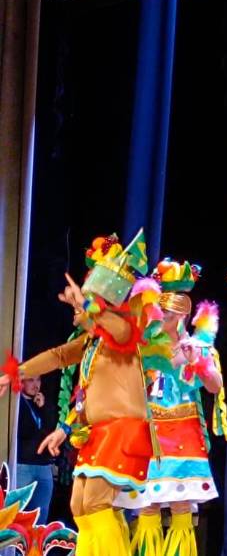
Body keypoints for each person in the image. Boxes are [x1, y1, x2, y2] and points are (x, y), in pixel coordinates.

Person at [0, 231, 157, 554]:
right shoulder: (91, 343)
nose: (74, 310)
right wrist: (16, 373)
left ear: (102, 304)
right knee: (81, 505)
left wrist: (87, 302)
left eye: (84, 302)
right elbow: (58, 356)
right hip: (99, 432)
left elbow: (116, 327)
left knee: (97, 503)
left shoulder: (125, 334)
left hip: (122, 431)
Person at [119, 260, 226, 556]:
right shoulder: (144, 349)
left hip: (183, 431)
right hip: (150, 429)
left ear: (184, 314)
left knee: (181, 504)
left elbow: (215, 386)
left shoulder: (198, 346)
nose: (164, 318)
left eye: (171, 313)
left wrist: (199, 363)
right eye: (161, 312)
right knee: (147, 503)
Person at [15, 375, 54, 523]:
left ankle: (34, 546)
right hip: (23, 466)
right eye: (31, 380)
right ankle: (14, 547)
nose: (35, 384)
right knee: (17, 515)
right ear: (22, 382)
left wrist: (44, 408)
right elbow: (22, 431)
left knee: (40, 516)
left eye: (38, 380)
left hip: (44, 467)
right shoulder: (17, 403)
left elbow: (51, 432)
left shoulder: (43, 404)